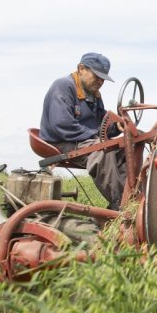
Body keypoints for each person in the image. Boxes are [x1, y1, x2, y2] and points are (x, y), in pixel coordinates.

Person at [40, 52, 126, 210]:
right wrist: (98, 138)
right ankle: (119, 205)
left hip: (84, 140)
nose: (100, 81)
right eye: (97, 76)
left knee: (123, 149)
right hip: (63, 141)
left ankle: (130, 197)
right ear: (81, 69)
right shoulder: (63, 86)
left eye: (103, 78)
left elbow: (102, 124)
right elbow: (62, 125)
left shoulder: (94, 94)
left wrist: (117, 126)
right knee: (103, 150)